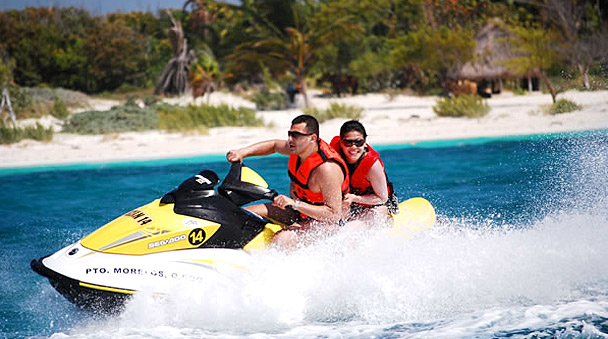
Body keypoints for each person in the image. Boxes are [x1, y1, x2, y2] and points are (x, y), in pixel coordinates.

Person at [226, 114, 350, 248]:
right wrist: (242, 152)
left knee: (282, 239)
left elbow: (333, 215)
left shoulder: (327, 169)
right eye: (289, 134)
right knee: (243, 213)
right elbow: (273, 145)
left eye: (296, 135)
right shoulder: (297, 148)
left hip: (328, 223)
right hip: (299, 212)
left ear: (312, 138)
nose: (290, 139)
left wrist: (295, 204)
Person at [329, 120, 399, 227]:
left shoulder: (373, 165)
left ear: (365, 142)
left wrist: (354, 198)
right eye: (348, 142)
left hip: (377, 204)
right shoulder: (333, 153)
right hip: (349, 203)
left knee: (369, 217)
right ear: (341, 142)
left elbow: (382, 198)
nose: (353, 147)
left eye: (359, 142)